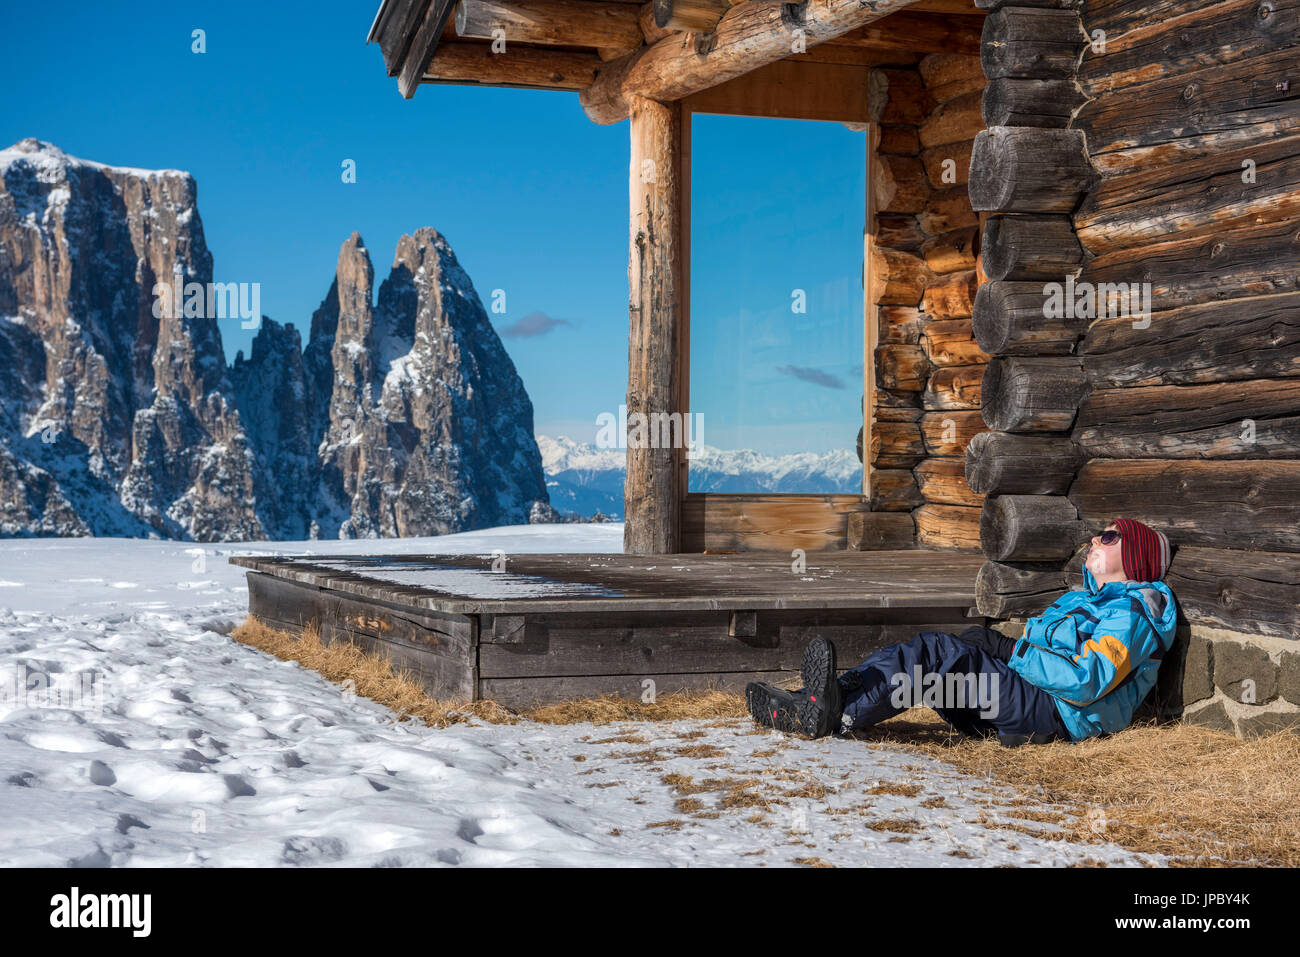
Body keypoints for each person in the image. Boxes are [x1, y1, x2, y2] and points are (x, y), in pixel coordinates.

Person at [745, 517, 1178, 746]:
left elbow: (1085, 681)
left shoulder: (1133, 614)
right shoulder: (1081, 600)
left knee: (937, 653)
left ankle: (835, 712)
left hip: (1058, 715)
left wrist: (1007, 650)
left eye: (1107, 536)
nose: (1093, 542)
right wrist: (1000, 652)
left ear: (1135, 553)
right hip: (1026, 703)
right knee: (935, 665)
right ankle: (822, 701)